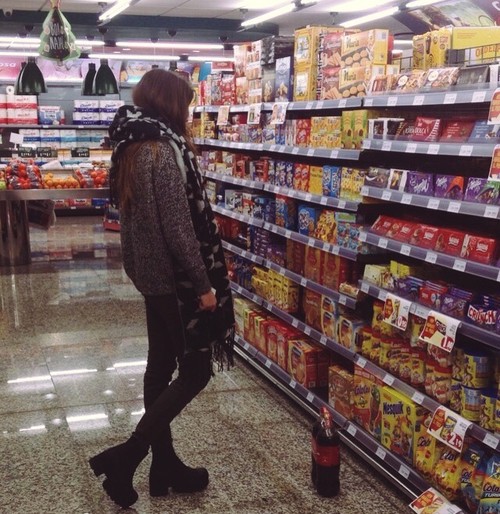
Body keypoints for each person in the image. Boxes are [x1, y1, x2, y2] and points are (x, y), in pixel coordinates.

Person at [88, 68, 234, 509]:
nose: (188, 112)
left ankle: (164, 466)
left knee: (158, 368)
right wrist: (204, 285)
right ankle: (128, 456)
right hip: (175, 281)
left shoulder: (129, 146)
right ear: (172, 104)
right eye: (186, 104)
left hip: (151, 278)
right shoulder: (162, 151)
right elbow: (178, 228)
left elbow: (129, 222)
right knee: (195, 371)